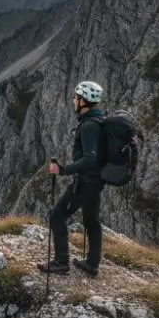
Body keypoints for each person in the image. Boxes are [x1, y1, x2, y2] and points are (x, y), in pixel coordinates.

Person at [40, 80, 106, 278]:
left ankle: (61, 262)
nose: (73, 100)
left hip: (85, 182)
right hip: (97, 182)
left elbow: (89, 159)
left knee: (57, 216)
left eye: (76, 97)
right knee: (91, 222)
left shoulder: (88, 127)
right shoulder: (100, 119)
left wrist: (62, 170)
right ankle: (92, 264)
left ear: (83, 101)